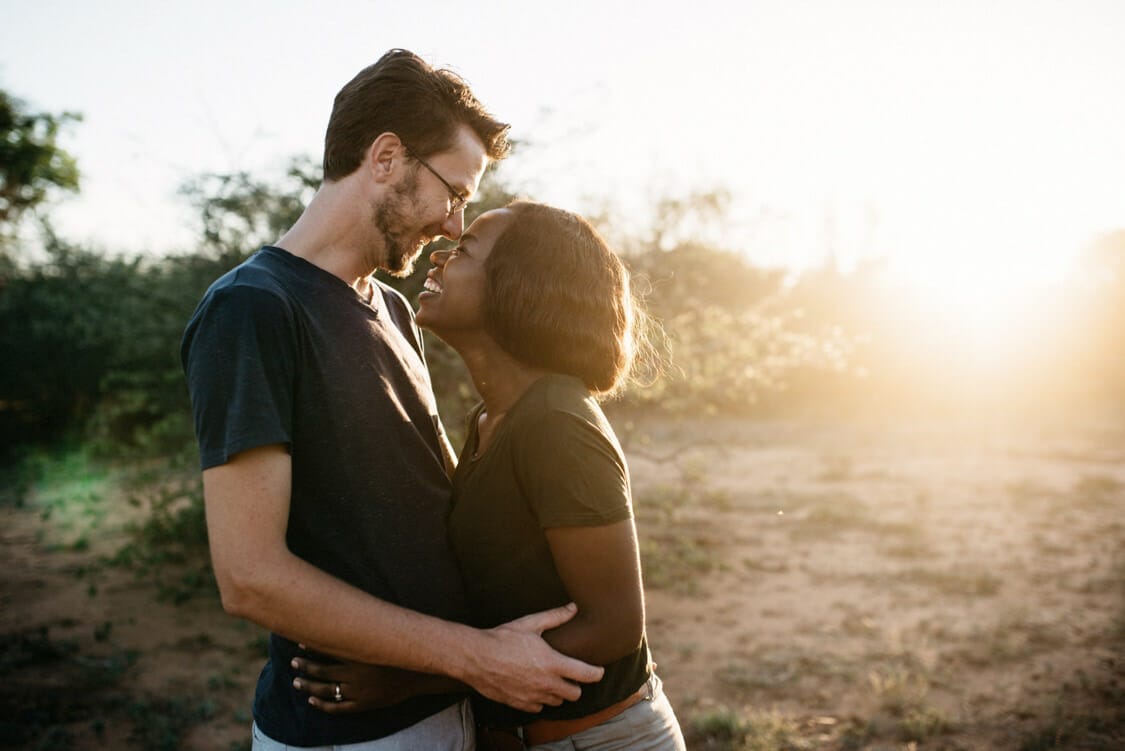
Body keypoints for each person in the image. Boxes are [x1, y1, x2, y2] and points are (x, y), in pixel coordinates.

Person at [181, 51, 603, 751]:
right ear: (385, 157)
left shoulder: (393, 309)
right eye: (453, 191)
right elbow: (250, 577)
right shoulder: (252, 309)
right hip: (348, 735)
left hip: (442, 704)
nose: (452, 222)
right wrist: (475, 656)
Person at [291, 201, 687, 750]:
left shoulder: (557, 423)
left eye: (464, 252)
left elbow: (616, 623)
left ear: (518, 285)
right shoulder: (489, 419)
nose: (437, 259)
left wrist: (411, 680)